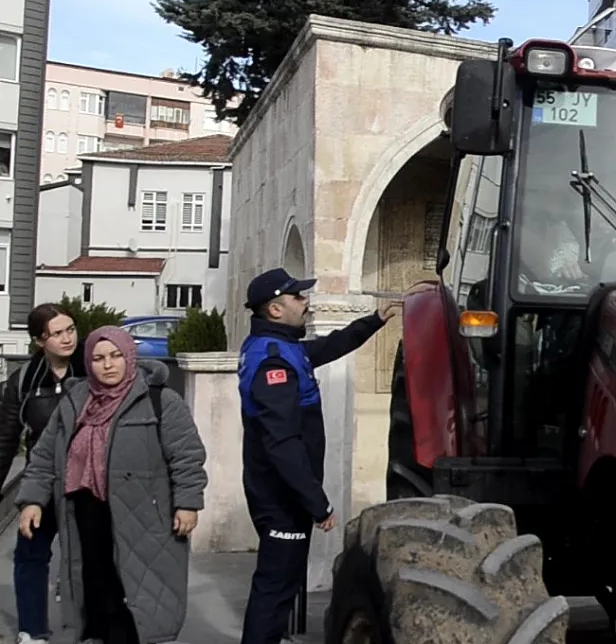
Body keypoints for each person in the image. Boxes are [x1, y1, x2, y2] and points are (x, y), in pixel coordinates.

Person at [238, 268, 420, 644]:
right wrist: (317, 503)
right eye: (298, 297)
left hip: (286, 494)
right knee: (274, 588)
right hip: (281, 497)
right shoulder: (273, 362)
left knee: (283, 586)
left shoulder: (283, 347)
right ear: (275, 309)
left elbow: (329, 347)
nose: (306, 302)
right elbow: (282, 443)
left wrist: (375, 319)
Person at [16, 326, 209, 644]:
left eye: (116, 356)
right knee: (95, 588)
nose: (108, 365)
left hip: (143, 514)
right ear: (88, 363)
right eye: (98, 358)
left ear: (129, 356)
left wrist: (188, 503)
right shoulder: (74, 401)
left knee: (135, 591)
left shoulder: (160, 400)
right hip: (85, 513)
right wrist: (32, 501)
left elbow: (187, 456)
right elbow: (44, 457)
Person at [0, 304, 86, 644]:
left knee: (91, 557)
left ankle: (89, 627)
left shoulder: (92, 368)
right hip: (43, 481)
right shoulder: (24, 381)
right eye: (57, 333)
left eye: (71, 329)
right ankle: (32, 630)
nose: (67, 338)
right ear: (39, 341)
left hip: (88, 481)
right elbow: (6, 439)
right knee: (31, 554)